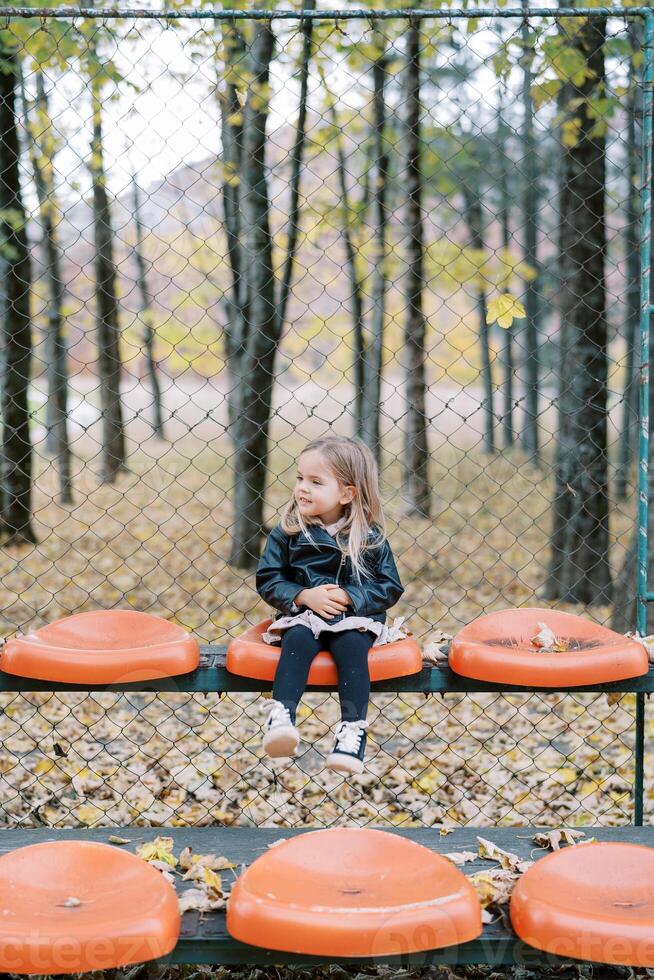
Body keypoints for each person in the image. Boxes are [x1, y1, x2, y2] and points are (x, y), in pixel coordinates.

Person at [255, 435, 405, 774]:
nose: (302, 488)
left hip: (353, 620)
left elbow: (389, 586)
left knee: (352, 647)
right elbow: (268, 578)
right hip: (304, 616)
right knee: (297, 640)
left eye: (315, 482)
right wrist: (302, 596)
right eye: (299, 479)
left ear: (347, 493)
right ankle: (281, 718)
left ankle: (351, 734)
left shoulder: (369, 537)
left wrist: (353, 597)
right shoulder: (289, 532)